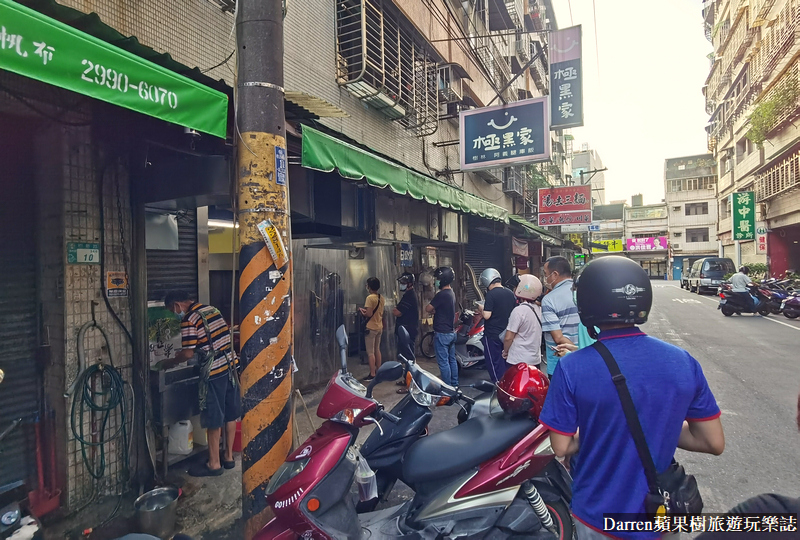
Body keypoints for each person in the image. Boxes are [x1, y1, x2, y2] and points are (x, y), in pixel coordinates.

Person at [538, 257, 725, 539]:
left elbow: (561, 446)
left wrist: (604, 429)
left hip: (598, 516)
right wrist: (657, 425)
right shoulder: (682, 362)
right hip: (660, 514)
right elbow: (713, 441)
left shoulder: (572, 367)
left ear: (587, 303)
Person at [163, 290, 240, 477]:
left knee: (214, 416)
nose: (175, 314)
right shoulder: (211, 309)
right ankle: (228, 457)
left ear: (177, 305)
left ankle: (214, 464)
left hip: (214, 372)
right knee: (230, 414)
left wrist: (171, 361)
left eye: (173, 310)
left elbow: (188, 353)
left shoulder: (189, 319)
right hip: (231, 366)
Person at [540, 256, 581, 378]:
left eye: (546, 274)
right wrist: (583, 353)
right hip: (586, 357)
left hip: (561, 363)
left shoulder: (549, 299)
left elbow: (558, 338)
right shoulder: (583, 292)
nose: (545, 279)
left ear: (555, 274)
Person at [476, 268, 517, 382]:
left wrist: (481, 308)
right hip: (507, 333)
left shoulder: (491, 294)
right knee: (505, 360)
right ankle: (508, 384)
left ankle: (498, 386)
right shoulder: (510, 293)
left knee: (494, 362)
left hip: (492, 335)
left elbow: (487, 315)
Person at [501, 274, 543, 372]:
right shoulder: (539, 309)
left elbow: (508, 338)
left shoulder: (519, 310)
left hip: (518, 360)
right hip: (535, 360)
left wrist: (506, 351)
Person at [425, 266, 458, 387]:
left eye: (438, 279)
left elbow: (428, 308)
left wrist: (433, 310)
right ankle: (454, 385)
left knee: (444, 363)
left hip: (442, 334)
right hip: (450, 332)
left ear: (443, 279)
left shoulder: (442, 294)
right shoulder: (451, 293)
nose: (436, 281)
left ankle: (447, 388)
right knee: (452, 360)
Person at [393, 272, 419, 394]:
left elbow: (397, 312)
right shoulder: (408, 295)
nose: (401, 285)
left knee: (409, 359)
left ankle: (410, 385)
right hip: (405, 331)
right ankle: (406, 380)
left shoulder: (410, 296)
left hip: (408, 332)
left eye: (403, 283)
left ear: (409, 284)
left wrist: (395, 310)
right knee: (405, 358)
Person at [358, 277, 385, 381]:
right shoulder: (381, 297)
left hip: (371, 327)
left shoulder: (370, 298)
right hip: (379, 326)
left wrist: (362, 311)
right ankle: (379, 371)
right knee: (377, 350)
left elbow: (368, 313)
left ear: (369, 286)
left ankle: (372, 374)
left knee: (370, 352)